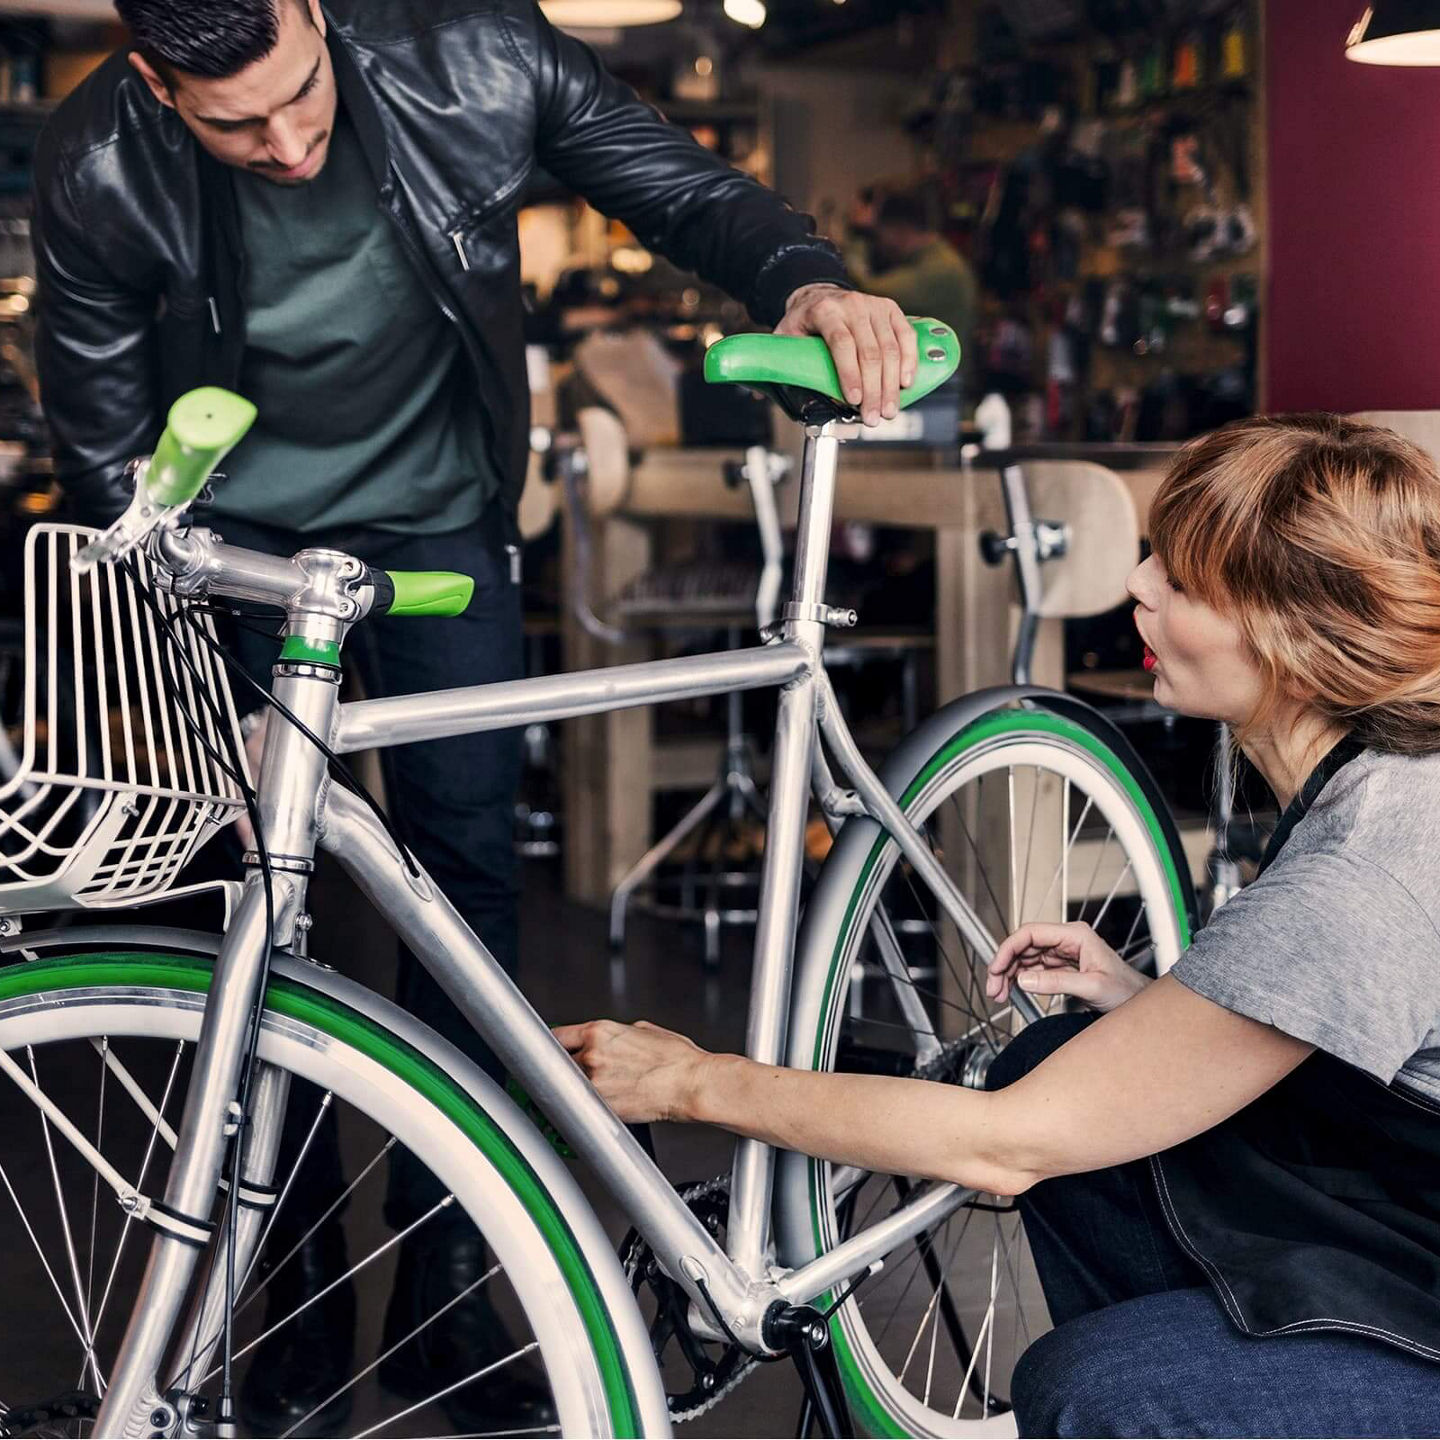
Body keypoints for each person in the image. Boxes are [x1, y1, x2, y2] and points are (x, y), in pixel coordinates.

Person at [30, 0, 915, 1430]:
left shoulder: (475, 51)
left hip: (441, 536)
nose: (287, 142)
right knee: (261, 924)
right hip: (240, 565)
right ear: (152, 80)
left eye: (300, 96)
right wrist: (169, 630)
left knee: (467, 895)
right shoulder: (95, 160)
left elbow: (681, 189)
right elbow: (102, 443)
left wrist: (807, 282)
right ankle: (294, 1306)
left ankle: (450, 1293)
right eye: (234, 124)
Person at [562, 413, 1440, 1438]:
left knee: (1091, 1389)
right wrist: (1150, 1010)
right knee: (1066, 1059)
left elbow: (1001, 1148)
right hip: (1404, 1231)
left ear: (1299, 637)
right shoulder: (1389, 787)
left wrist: (691, 1080)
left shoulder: (1367, 868)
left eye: (1184, 584)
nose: (1138, 587)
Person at [846, 188, 977, 361]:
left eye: (879, 232)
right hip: (939, 370)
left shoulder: (940, 270)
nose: (880, 242)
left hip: (943, 377)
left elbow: (867, 290)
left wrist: (859, 235)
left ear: (899, 229)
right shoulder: (938, 259)